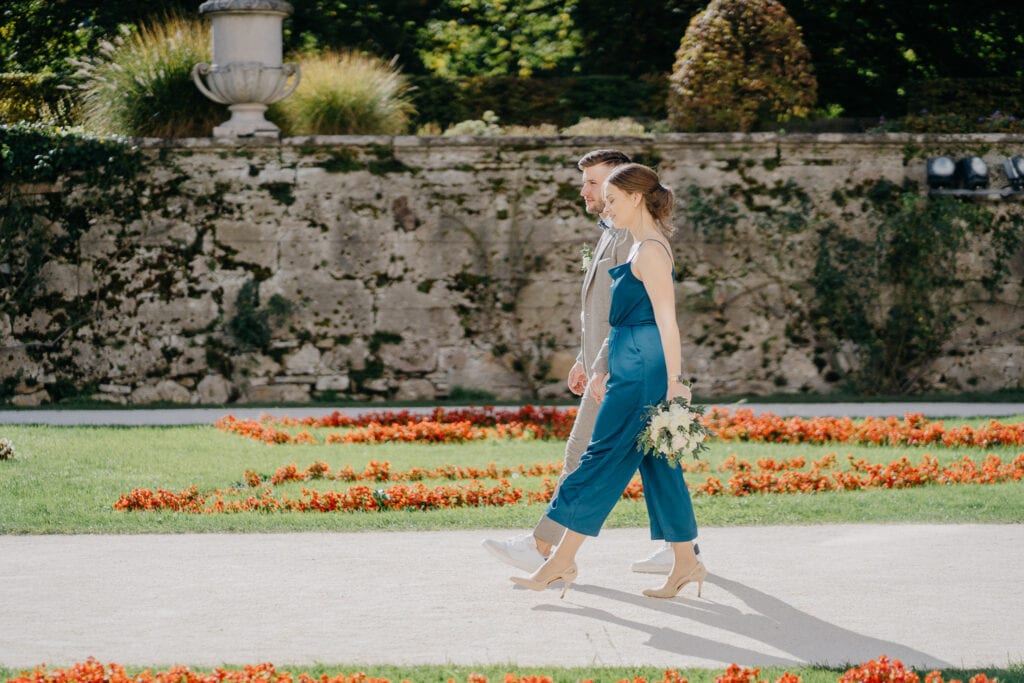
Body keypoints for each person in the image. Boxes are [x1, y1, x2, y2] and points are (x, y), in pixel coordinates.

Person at [482, 150, 698, 575]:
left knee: (587, 455)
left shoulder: (632, 237)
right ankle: (682, 551)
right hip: (617, 362)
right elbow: (604, 309)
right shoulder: (612, 231)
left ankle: (545, 547)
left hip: (626, 367)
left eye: (596, 184)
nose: (588, 191)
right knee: (656, 458)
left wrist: (601, 366)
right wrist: (587, 357)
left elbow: (637, 315)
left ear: (630, 193)